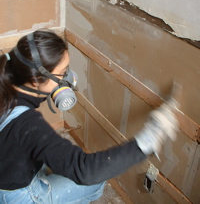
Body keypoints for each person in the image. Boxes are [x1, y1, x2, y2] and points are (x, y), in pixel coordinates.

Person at [0, 29, 179, 204]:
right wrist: (147, 140)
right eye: (62, 73)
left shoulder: (7, 69)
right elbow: (85, 170)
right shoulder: (29, 127)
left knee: (51, 162)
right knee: (96, 180)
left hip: (6, 168)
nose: (67, 78)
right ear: (35, 80)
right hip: (18, 196)